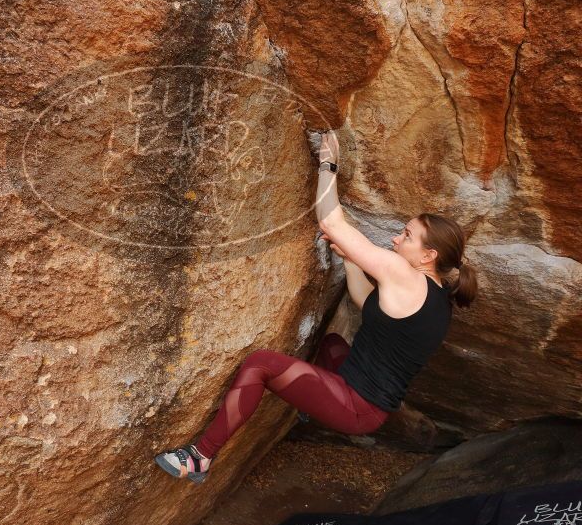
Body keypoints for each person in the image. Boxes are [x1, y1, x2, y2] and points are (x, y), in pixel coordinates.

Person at [154, 131, 479, 484]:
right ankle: (313, 404)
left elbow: (331, 222)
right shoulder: (438, 299)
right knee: (333, 345)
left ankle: (199, 457)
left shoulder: (403, 274)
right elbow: (365, 302)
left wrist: (328, 163)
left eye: (406, 236)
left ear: (428, 255)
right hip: (371, 406)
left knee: (260, 364)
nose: (395, 239)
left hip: (357, 406)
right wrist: (349, 259)